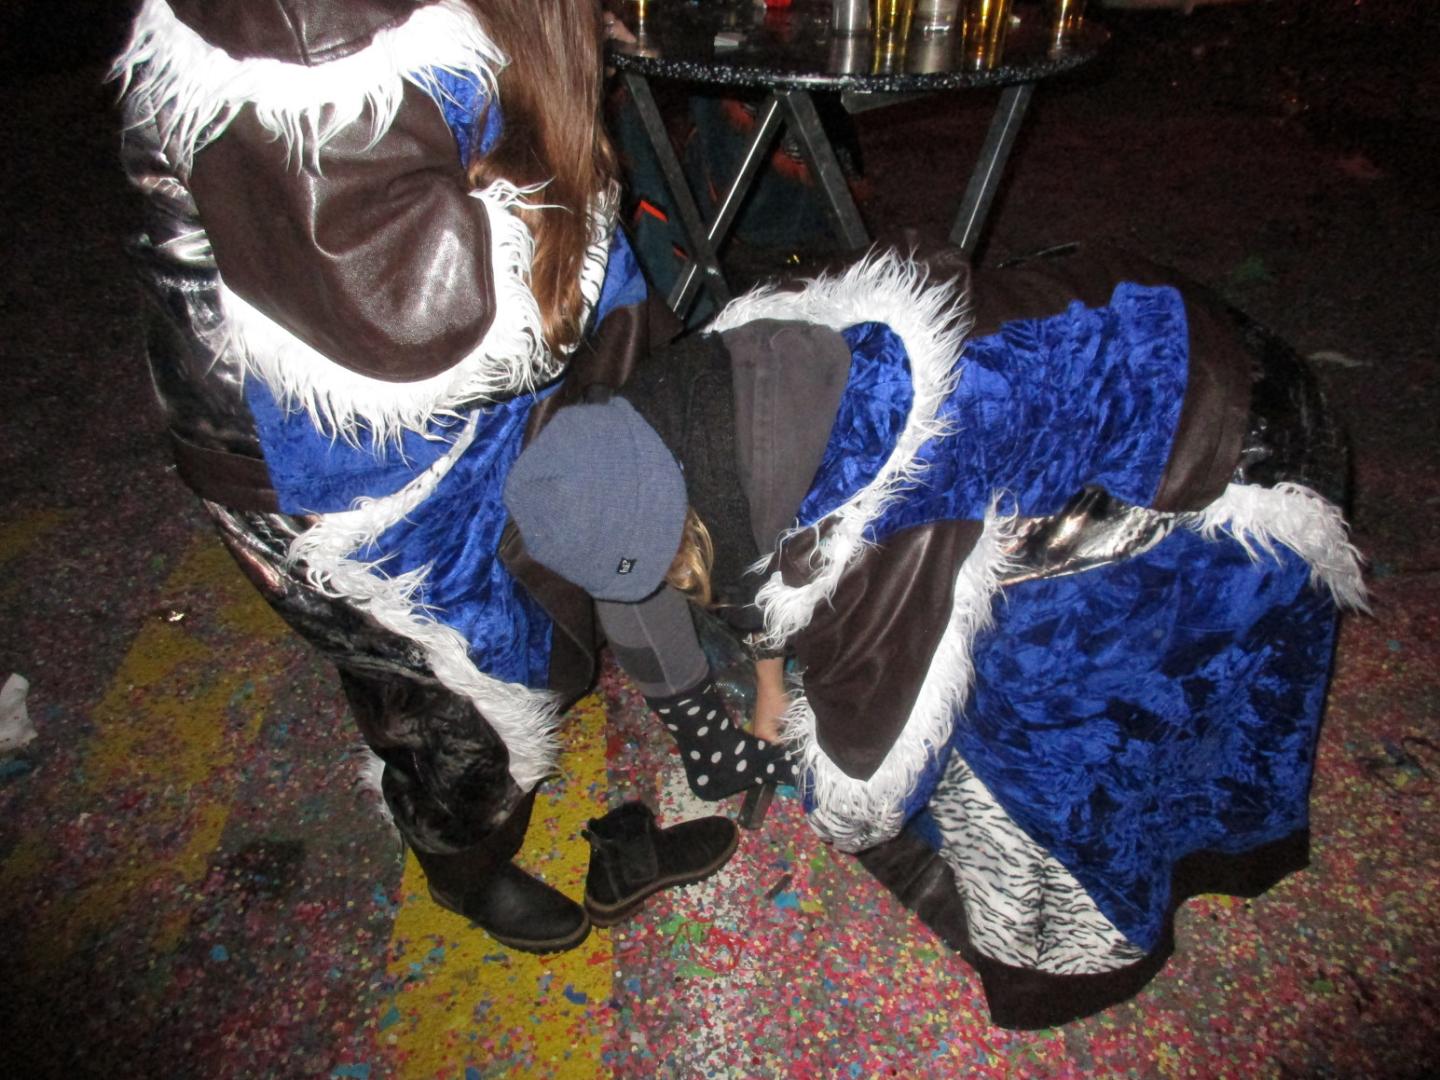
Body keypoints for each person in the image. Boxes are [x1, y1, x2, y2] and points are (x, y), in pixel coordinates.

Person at [503, 245, 1367, 1021]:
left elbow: (865, 782)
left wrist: (809, 755)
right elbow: (742, 559)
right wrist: (766, 692)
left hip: (1233, 453)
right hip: (1151, 322)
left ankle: (1079, 940)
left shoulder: (868, 516)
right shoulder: (703, 392)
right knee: (946, 598)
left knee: (1036, 675)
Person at [112, 0, 737, 955]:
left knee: (468, 632)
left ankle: (424, 728)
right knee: (470, 688)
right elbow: (414, 318)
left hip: (425, 422)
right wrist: (571, 229)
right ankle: (461, 865)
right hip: (323, 459)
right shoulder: (310, 37)